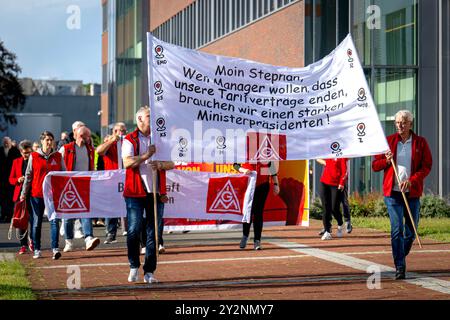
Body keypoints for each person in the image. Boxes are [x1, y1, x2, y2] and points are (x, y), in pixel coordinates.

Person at [372, 110, 432, 280]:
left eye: (404, 122)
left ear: (410, 124)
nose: (400, 125)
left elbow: (426, 166)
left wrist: (412, 180)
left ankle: (400, 254)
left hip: (412, 193)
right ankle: (400, 265)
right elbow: (375, 166)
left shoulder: (420, 143)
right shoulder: (388, 142)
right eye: (398, 122)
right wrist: (385, 160)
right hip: (393, 194)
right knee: (396, 229)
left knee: (411, 232)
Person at [122, 106, 168, 283]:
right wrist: (146, 155)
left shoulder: (160, 138)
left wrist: (162, 165)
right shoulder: (129, 139)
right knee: (134, 229)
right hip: (135, 192)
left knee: (154, 233)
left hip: (155, 192)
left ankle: (149, 271)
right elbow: (126, 162)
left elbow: (171, 162)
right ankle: (134, 264)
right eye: (149, 116)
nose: (152, 118)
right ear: (139, 119)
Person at [20, 131, 65, 260]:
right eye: (47, 140)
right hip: (37, 194)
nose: (49, 142)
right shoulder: (33, 156)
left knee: (54, 221)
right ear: (41, 141)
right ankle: (37, 249)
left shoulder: (58, 156)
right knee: (36, 223)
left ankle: (55, 249)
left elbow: (64, 174)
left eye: (51, 139)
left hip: (53, 194)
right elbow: (28, 176)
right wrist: (23, 194)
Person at [59, 126, 100, 252]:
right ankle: (69, 241)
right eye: (82, 136)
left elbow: (92, 168)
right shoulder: (65, 149)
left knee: (85, 212)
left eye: (87, 136)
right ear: (75, 135)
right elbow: (59, 166)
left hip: (84, 185)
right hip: (68, 186)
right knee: (68, 215)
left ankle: (88, 238)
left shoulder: (90, 150)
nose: (85, 138)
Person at [234, 161, 280, 250]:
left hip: (263, 185)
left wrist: (276, 184)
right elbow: (235, 165)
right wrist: (243, 169)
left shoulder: (264, 152)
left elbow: (272, 168)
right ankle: (245, 236)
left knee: (258, 213)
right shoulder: (244, 151)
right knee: (248, 212)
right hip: (248, 185)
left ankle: (257, 240)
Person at [96, 122, 127, 244]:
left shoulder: (128, 143)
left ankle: (130, 232)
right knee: (111, 208)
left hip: (127, 180)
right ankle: (111, 233)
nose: (121, 133)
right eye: (119, 131)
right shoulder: (109, 143)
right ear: (113, 132)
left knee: (130, 206)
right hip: (111, 181)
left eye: (124, 131)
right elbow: (99, 151)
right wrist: (111, 141)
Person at [9, 140, 34, 254]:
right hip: (20, 196)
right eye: (24, 153)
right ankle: (23, 245)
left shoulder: (34, 161)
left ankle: (33, 242)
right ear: (20, 152)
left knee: (34, 220)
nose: (26, 155)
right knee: (20, 221)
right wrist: (17, 180)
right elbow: (10, 179)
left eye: (28, 152)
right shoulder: (16, 162)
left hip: (32, 194)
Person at [317, 158, 348, 240]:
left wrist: (342, 183)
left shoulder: (341, 154)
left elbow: (345, 171)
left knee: (334, 208)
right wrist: (326, 163)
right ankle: (327, 231)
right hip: (324, 182)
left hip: (336, 184)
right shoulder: (327, 151)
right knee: (326, 208)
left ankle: (340, 224)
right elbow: (317, 158)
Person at [0, 136, 21, 222]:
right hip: (1, 179)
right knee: (2, 198)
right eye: (4, 142)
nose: (6, 143)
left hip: (11, 178)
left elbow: (19, 163)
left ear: (10, 142)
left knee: (10, 198)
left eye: (7, 142)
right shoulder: (0, 150)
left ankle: (9, 215)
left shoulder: (15, 151)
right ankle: (3, 214)